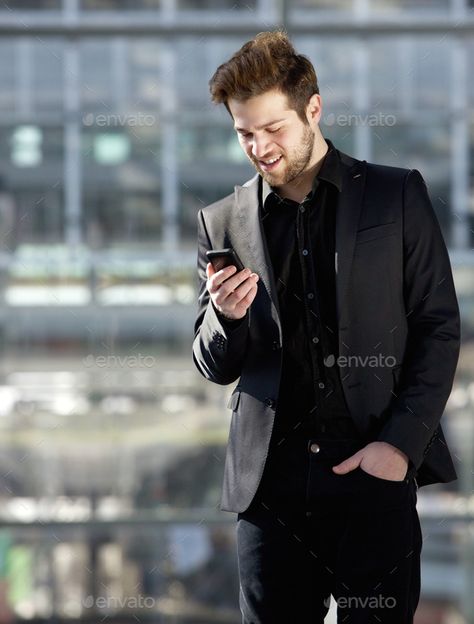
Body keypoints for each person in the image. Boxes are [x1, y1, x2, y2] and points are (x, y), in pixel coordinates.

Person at [192, 30, 460, 624]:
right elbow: (214, 362)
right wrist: (224, 317)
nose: (259, 147)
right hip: (270, 493)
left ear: (313, 108)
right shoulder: (222, 221)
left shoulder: (396, 195)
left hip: (372, 471)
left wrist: (397, 449)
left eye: (273, 128)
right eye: (244, 133)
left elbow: (438, 327)